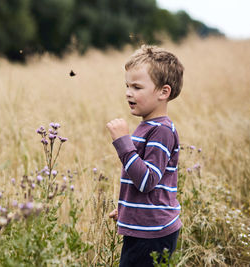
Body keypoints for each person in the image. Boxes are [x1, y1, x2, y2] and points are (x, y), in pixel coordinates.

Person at [106, 45, 184, 267]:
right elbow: (141, 177)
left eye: (137, 87)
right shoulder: (147, 125)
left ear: (163, 92)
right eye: (127, 86)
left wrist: (123, 143)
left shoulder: (161, 130)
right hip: (144, 228)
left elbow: (147, 181)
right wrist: (127, 207)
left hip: (154, 234)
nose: (129, 92)